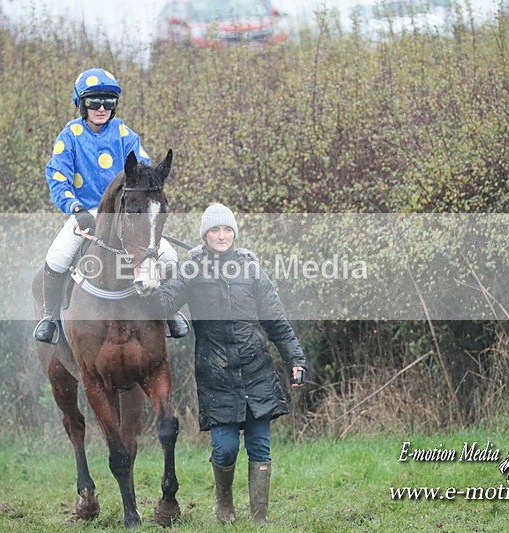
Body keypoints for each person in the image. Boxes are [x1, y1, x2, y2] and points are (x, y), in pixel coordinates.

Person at [141, 203, 307, 525]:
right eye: (215, 230)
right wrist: (147, 285)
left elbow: (276, 321)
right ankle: (224, 504)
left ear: (234, 232)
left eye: (227, 229)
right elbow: (162, 304)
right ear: (205, 235)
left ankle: (260, 518)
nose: (221, 235)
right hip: (216, 373)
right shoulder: (192, 269)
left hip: (256, 369)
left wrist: (295, 359)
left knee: (260, 448)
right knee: (225, 449)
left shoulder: (250, 268)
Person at [33, 67, 188, 344]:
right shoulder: (69, 135)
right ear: (82, 104)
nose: (101, 108)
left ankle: (168, 310)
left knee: (168, 257)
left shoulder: (125, 134)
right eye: (94, 102)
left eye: (108, 102)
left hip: (127, 211)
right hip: (86, 211)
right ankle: (48, 318)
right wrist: (76, 209)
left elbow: (143, 172)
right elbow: (57, 178)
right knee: (57, 257)